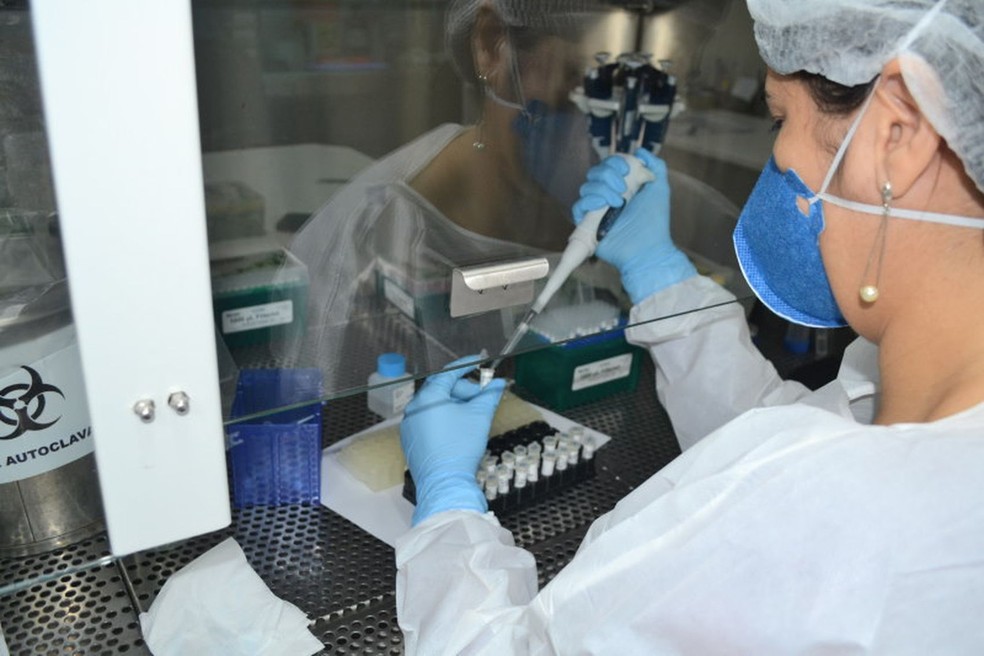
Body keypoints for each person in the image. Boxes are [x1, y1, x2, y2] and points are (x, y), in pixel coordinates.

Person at [395, 0, 984, 652]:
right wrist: (658, 274)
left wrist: (448, 511)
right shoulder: (934, 415)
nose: (778, 153)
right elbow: (783, 438)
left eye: (779, 119)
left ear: (897, 133)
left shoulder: (820, 522)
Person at [288, 0, 605, 392]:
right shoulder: (378, 236)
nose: (599, 121)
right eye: (577, 76)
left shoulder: (621, 209)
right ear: (492, 44)